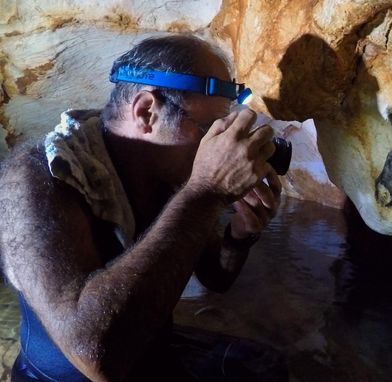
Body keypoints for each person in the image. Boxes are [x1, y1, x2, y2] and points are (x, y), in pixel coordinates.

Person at [0, 35, 288, 381]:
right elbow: (96, 358)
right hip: (60, 377)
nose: (214, 144)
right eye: (208, 129)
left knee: (265, 367)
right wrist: (204, 192)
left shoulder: (167, 172)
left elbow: (216, 276)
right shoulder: (39, 177)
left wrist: (240, 236)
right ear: (146, 111)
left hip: (150, 352)